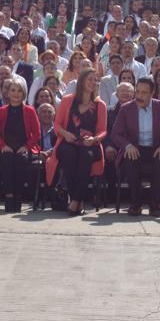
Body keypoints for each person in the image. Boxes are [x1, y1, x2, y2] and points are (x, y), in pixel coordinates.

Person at [45, 68, 108, 216]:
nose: (93, 82)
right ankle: (78, 200)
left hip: (90, 144)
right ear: (82, 82)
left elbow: (103, 131)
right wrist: (66, 134)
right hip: (68, 141)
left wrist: (94, 139)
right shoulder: (68, 100)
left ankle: (74, 201)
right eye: (90, 79)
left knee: (86, 155)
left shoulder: (100, 105)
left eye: (95, 80)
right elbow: (57, 125)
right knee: (68, 153)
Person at [111, 77, 160, 217]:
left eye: (144, 92)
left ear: (152, 93)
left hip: (156, 148)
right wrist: (127, 145)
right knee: (129, 159)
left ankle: (154, 204)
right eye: (138, 91)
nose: (139, 96)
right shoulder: (126, 108)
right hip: (135, 147)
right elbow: (115, 134)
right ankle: (136, 203)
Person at [0, 77, 40, 212]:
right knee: (7, 160)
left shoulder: (30, 110)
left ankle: (18, 197)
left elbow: (37, 134)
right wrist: (3, 146)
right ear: (8, 93)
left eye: (19, 91)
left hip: (24, 148)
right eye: (13, 90)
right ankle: (9, 196)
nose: (16, 94)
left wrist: (26, 147)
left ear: (24, 93)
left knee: (20, 161)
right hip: (5, 148)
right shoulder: (1, 111)